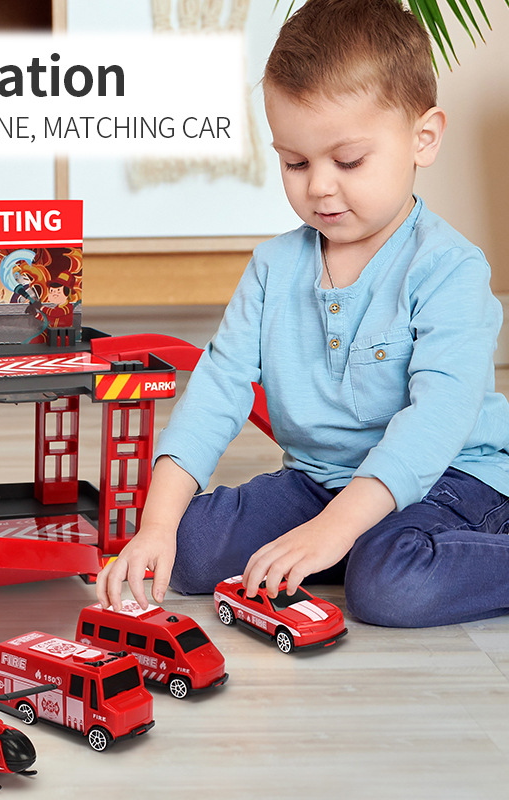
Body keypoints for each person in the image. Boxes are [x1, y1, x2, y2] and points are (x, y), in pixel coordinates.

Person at [96, 0, 509, 628]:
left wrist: (335, 529)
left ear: (422, 139)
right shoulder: (273, 267)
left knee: (389, 587)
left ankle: (365, 549)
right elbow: (217, 388)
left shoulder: (450, 268)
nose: (318, 186)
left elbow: (437, 420)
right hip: (321, 481)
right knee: (190, 547)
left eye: (348, 161)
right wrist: (156, 526)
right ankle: (346, 546)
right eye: (295, 162)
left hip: (450, 479)